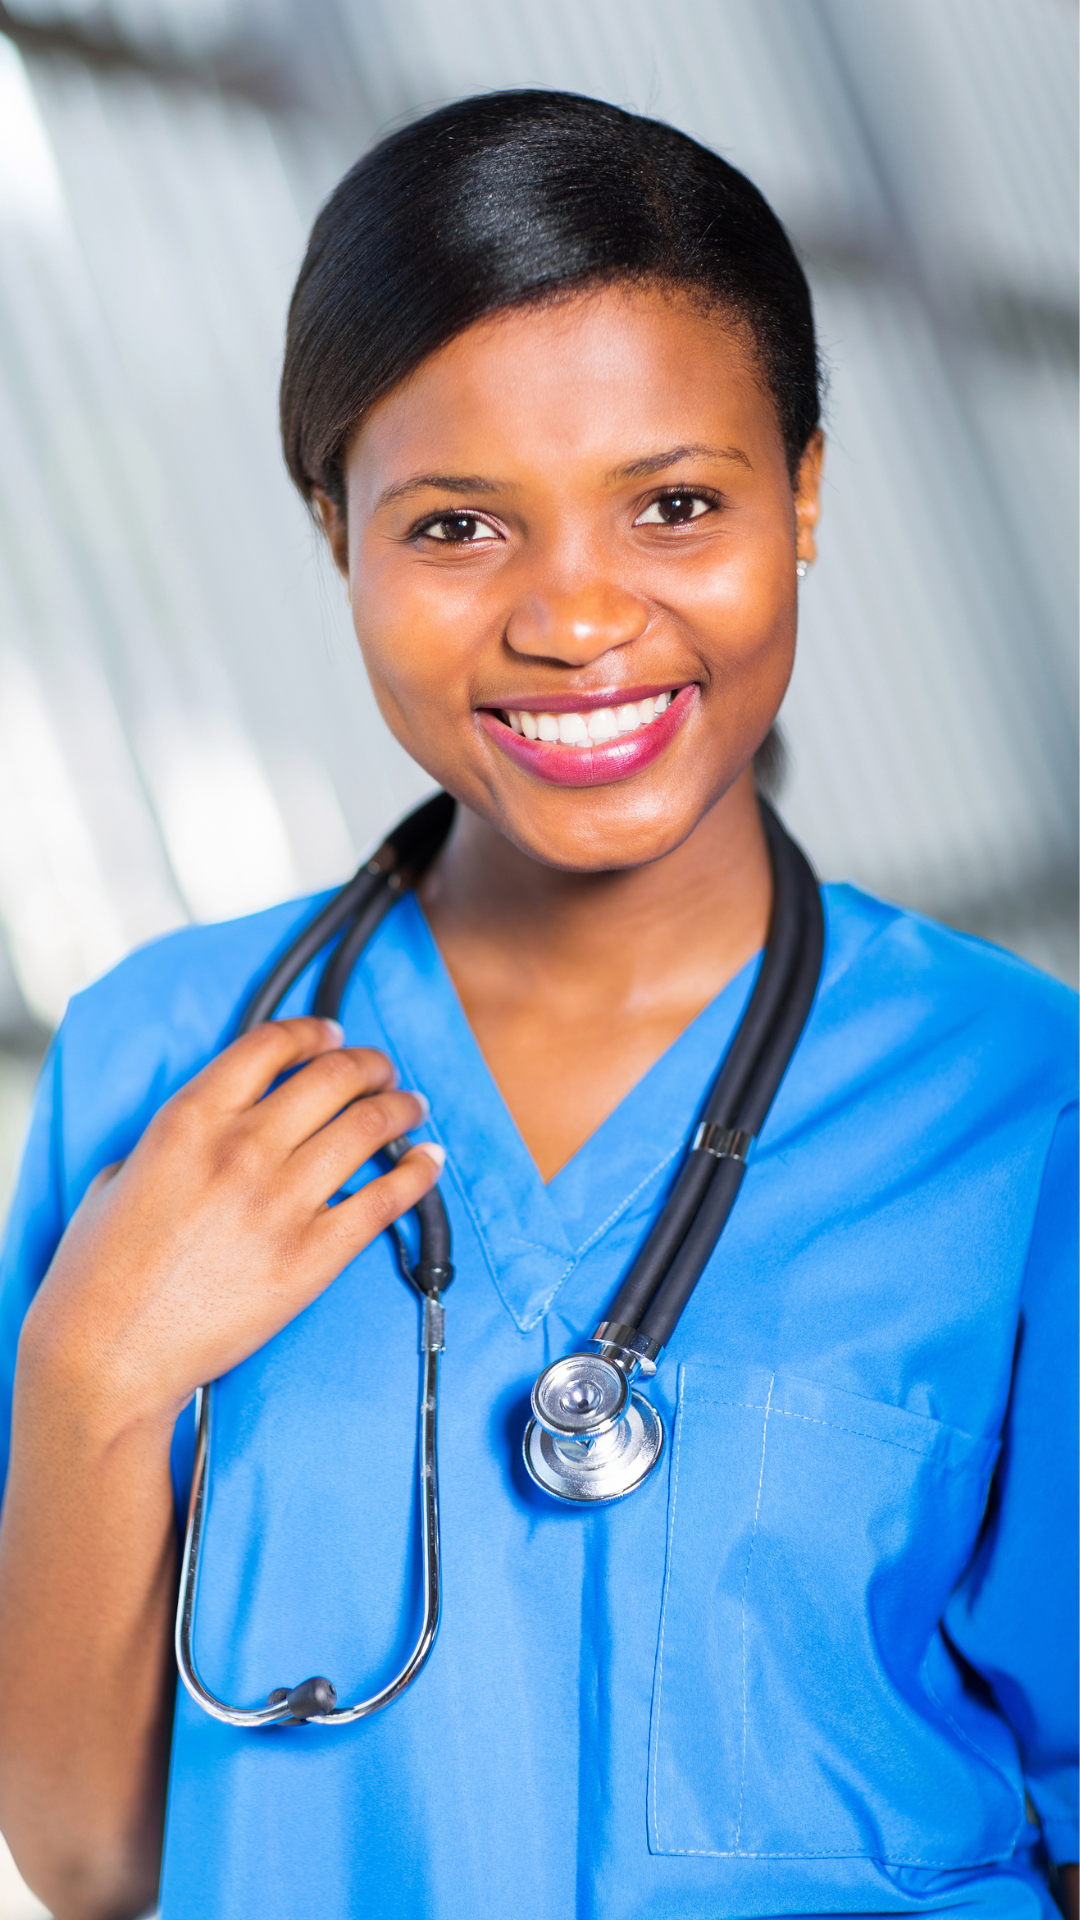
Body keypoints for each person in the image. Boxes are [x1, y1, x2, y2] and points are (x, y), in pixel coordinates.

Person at [0, 88, 1074, 1920]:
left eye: (674, 503)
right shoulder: (157, 1058)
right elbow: (92, 1860)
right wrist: (94, 1375)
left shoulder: (1023, 1105)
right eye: (456, 528)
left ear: (803, 494)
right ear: (332, 523)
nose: (577, 619)